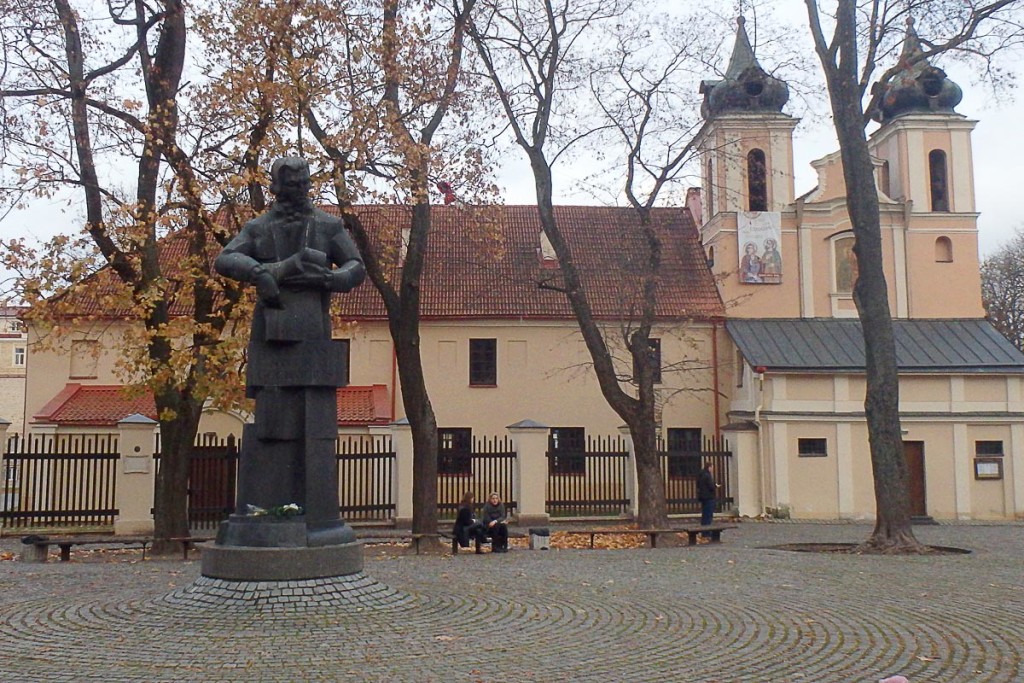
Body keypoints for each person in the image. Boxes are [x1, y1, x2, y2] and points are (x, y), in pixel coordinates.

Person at [213, 157, 366, 547]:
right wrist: (262, 271)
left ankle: (318, 518)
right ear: (276, 187)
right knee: (271, 419)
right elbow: (226, 258)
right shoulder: (259, 226)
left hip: (314, 333)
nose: (298, 188)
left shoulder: (329, 225)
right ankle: (269, 508)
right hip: (272, 331)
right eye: (291, 183)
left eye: (303, 182)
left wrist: (332, 278)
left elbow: (355, 266)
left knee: (317, 420)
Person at [697, 461, 717, 534]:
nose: (712, 469)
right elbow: (711, 487)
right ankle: (707, 532)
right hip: (709, 497)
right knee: (708, 515)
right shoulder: (707, 476)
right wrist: (715, 486)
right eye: (712, 467)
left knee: (704, 514)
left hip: (703, 497)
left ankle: (704, 531)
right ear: (709, 467)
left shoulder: (701, 475)